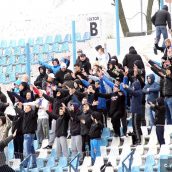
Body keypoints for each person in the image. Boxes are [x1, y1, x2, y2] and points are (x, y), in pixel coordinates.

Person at [15, 104, 38, 168]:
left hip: (29, 134)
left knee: (27, 151)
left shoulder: (32, 114)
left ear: (30, 109)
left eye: (27, 108)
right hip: (26, 135)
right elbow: (19, 111)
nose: (25, 109)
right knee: (31, 150)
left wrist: (36, 108)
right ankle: (33, 164)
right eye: (25, 108)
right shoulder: (24, 114)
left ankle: (26, 165)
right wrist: (15, 107)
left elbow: (35, 113)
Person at [123, 81, 143, 145]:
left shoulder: (139, 92)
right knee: (135, 126)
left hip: (137, 111)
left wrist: (126, 88)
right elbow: (131, 92)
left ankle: (138, 140)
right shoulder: (136, 92)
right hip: (135, 111)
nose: (133, 87)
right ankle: (137, 139)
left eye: (134, 86)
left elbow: (132, 92)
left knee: (136, 125)